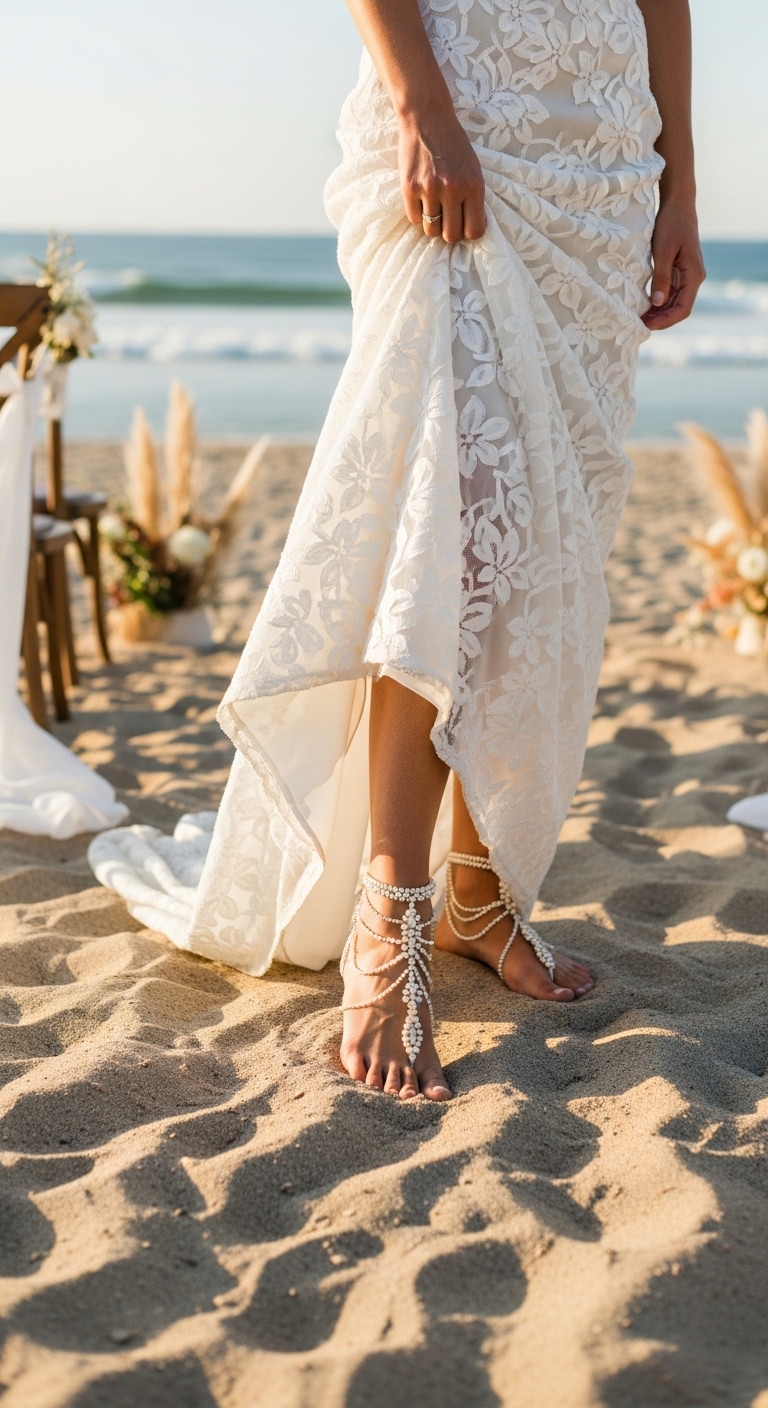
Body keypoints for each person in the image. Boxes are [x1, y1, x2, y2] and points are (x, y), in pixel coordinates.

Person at [186, 0, 704, 1100]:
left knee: (548, 533)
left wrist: (681, 181)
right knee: (449, 517)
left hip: (600, 150)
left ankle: (475, 895)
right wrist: (424, 104)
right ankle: (393, 909)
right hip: (462, 103)